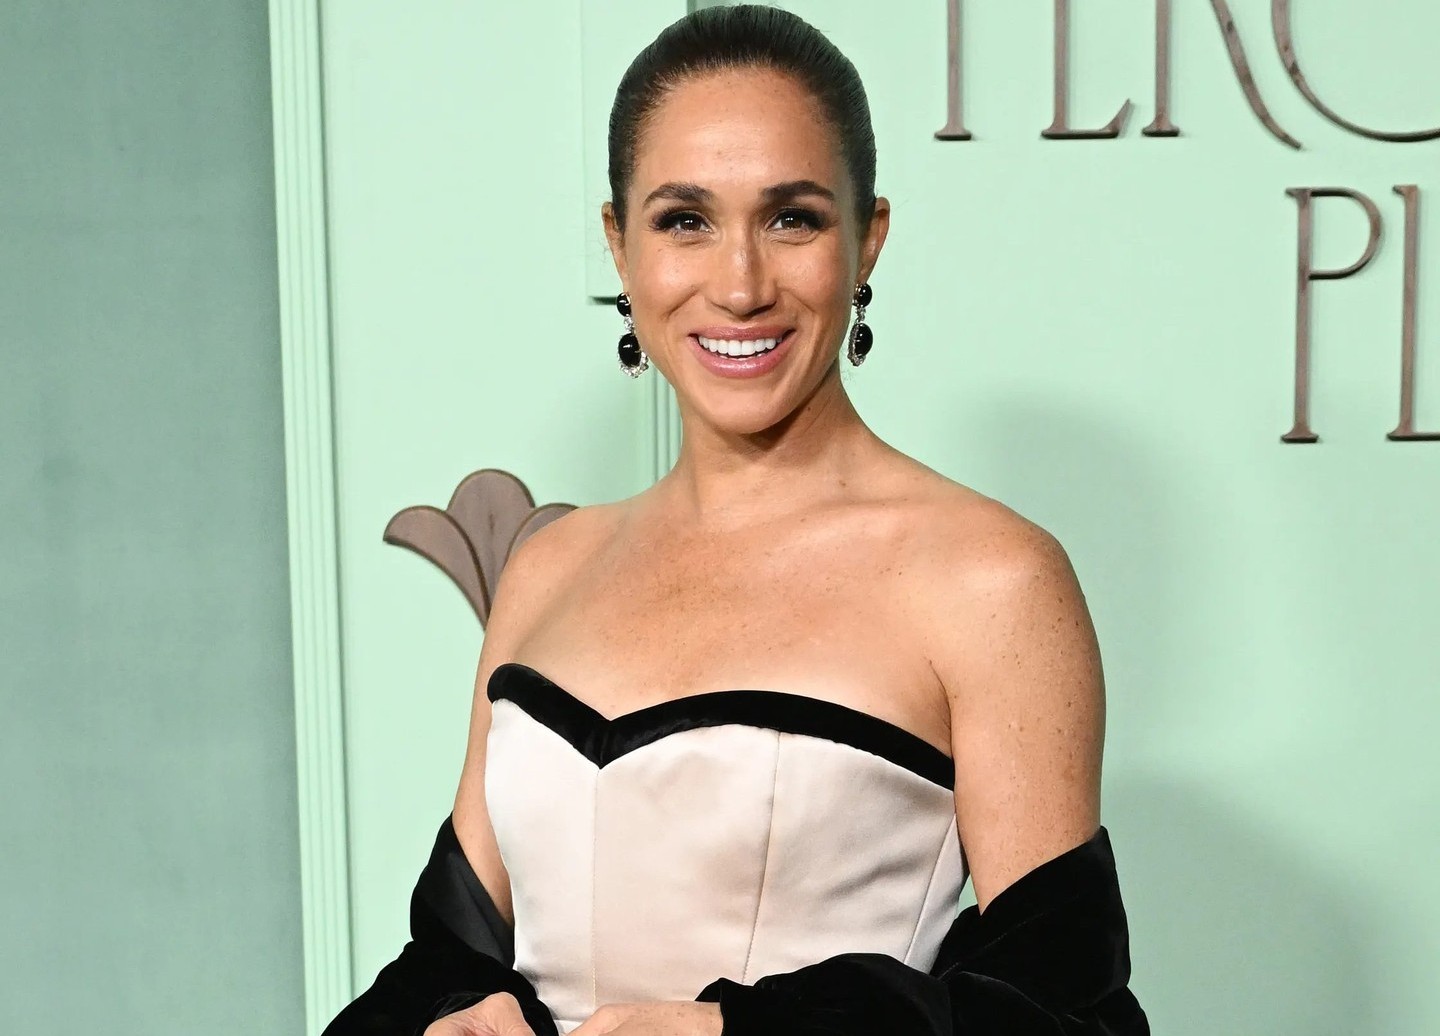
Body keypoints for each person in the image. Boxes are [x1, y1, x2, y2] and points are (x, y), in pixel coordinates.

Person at [325, 6, 1148, 1035]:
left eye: (792, 218)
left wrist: (739, 1034)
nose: (741, 284)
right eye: (685, 221)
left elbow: (1061, 1015)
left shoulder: (991, 579)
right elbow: (450, 957)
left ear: (868, 239)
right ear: (619, 245)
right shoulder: (550, 566)